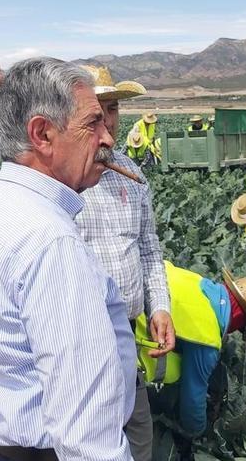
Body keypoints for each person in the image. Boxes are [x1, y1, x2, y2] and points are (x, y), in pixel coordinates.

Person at [0, 58, 136, 461]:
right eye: (92, 123)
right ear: (42, 133)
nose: (108, 138)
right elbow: (85, 426)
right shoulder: (49, 240)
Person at [75, 64, 174, 461]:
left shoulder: (130, 172)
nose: (108, 121)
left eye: (113, 109)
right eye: (97, 110)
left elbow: (148, 247)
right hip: (77, 344)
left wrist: (160, 306)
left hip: (126, 339)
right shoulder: (61, 180)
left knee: (139, 441)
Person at [134, 261, 246, 436]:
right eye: (242, 327)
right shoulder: (207, 337)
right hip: (121, 342)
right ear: (239, 318)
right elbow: (193, 397)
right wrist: (197, 435)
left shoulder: (195, 281)